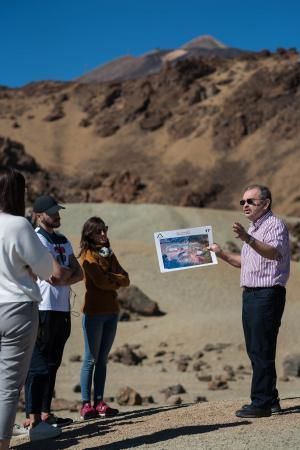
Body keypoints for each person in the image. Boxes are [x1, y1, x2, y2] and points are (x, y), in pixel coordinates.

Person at [208, 184, 290, 418]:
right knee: (257, 348)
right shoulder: (255, 228)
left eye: (250, 201)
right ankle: (271, 399)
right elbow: (245, 262)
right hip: (253, 294)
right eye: (242, 202)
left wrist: (247, 237)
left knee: (262, 348)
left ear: (265, 204)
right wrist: (220, 252)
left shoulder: (274, 225)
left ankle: (261, 403)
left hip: (266, 294)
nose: (245, 205)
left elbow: (273, 253)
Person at [0, 169, 64, 449]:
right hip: (17, 307)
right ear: (15, 193)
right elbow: (45, 269)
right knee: (8, 384)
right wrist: (26, 266)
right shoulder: (18, 225)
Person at [24, 195, 83, 429]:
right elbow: (57, 275)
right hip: (43, 307)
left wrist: (63, 274)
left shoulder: (63, 239)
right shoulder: (36, 239)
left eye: (57, 210)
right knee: (38, 364)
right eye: (51, 212)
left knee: (54, 362)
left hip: (62, 308)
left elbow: (79, 274)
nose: (57, 215)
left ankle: (46, 413)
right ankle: (32, 415)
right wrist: (64, 274)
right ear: (39, 215)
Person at [78, 216, 130, 419]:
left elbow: (126, 279)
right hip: (93, 313)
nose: (103, 234)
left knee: (102, 359)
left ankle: (99, 402)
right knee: (90, 359)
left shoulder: (107, 253)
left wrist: (112, 278)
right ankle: (85, 404)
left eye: (105, 230)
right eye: (98, 231)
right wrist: (114, 279)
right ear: (89, 234)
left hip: (112, 312)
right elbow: (100, 282)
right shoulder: (87, 255)